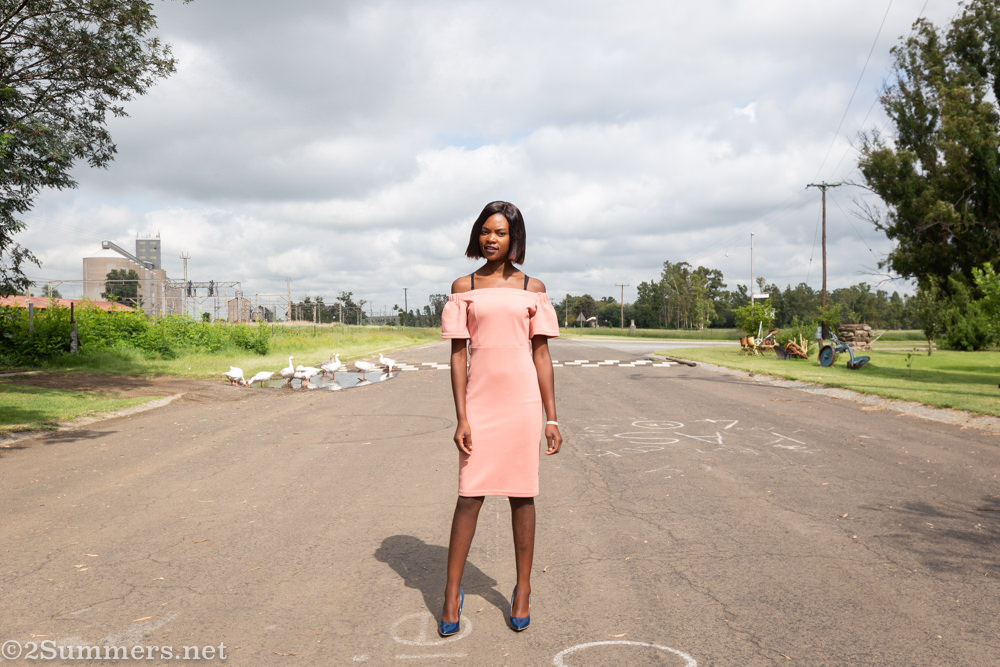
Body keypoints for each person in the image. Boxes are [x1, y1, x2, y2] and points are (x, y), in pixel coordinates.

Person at [438, 200, 562, 636]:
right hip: (481, 404)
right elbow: (458, 357)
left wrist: (552, 417)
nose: (492, 239)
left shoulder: (533, 287)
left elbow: (542, 355)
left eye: (501, 233)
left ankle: (523, 589)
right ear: (477, 235)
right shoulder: (463, 285)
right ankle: (452, 593)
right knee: (469, 496)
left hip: (522, 404)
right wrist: (461, 416)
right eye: (486, 231)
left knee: (521, 496)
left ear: (515, 239)